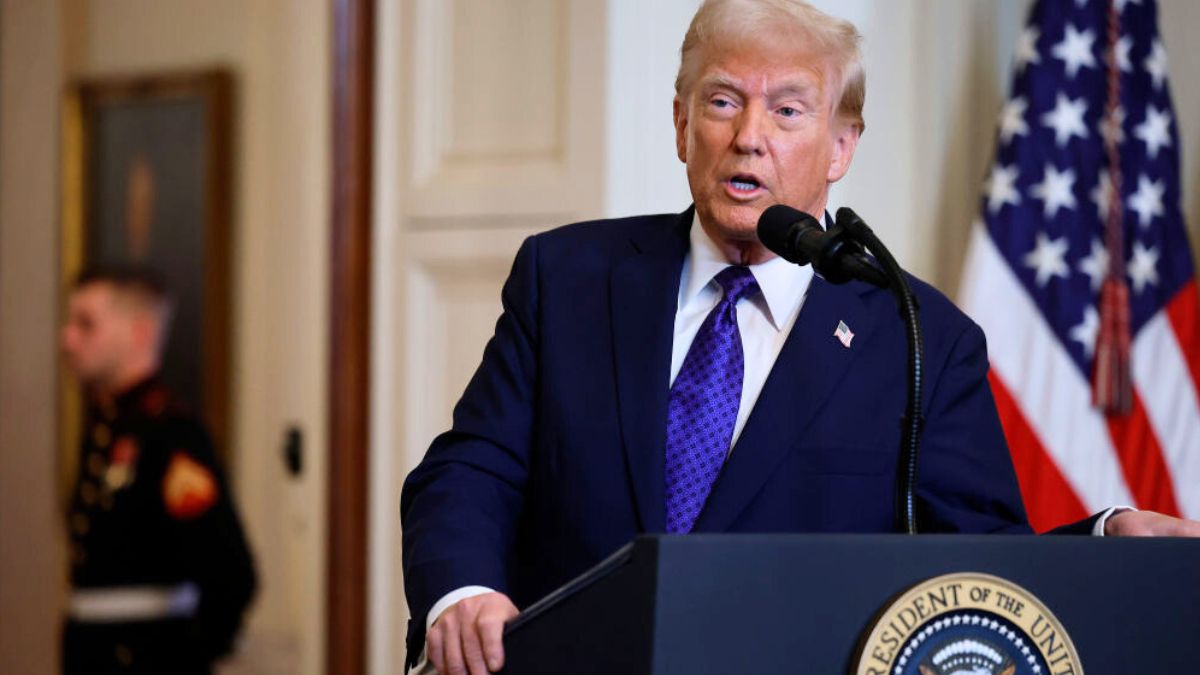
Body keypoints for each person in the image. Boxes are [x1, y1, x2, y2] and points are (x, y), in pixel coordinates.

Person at [400, 1, 1200, 673]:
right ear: (682, 126)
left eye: (788, 109)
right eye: (721, 102)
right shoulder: (567, 276)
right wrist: (461, 590)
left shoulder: (920, 336)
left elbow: (976, 564)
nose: (750, 135)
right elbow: (470, 470)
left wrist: (1103, 539)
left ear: (841, 146)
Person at [59, 265, 256, 675]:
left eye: (86, 324)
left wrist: (186, 655)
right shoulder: (106, 427)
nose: (68, 339)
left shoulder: (172, 433)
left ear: (140, 333)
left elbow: (231, 574)